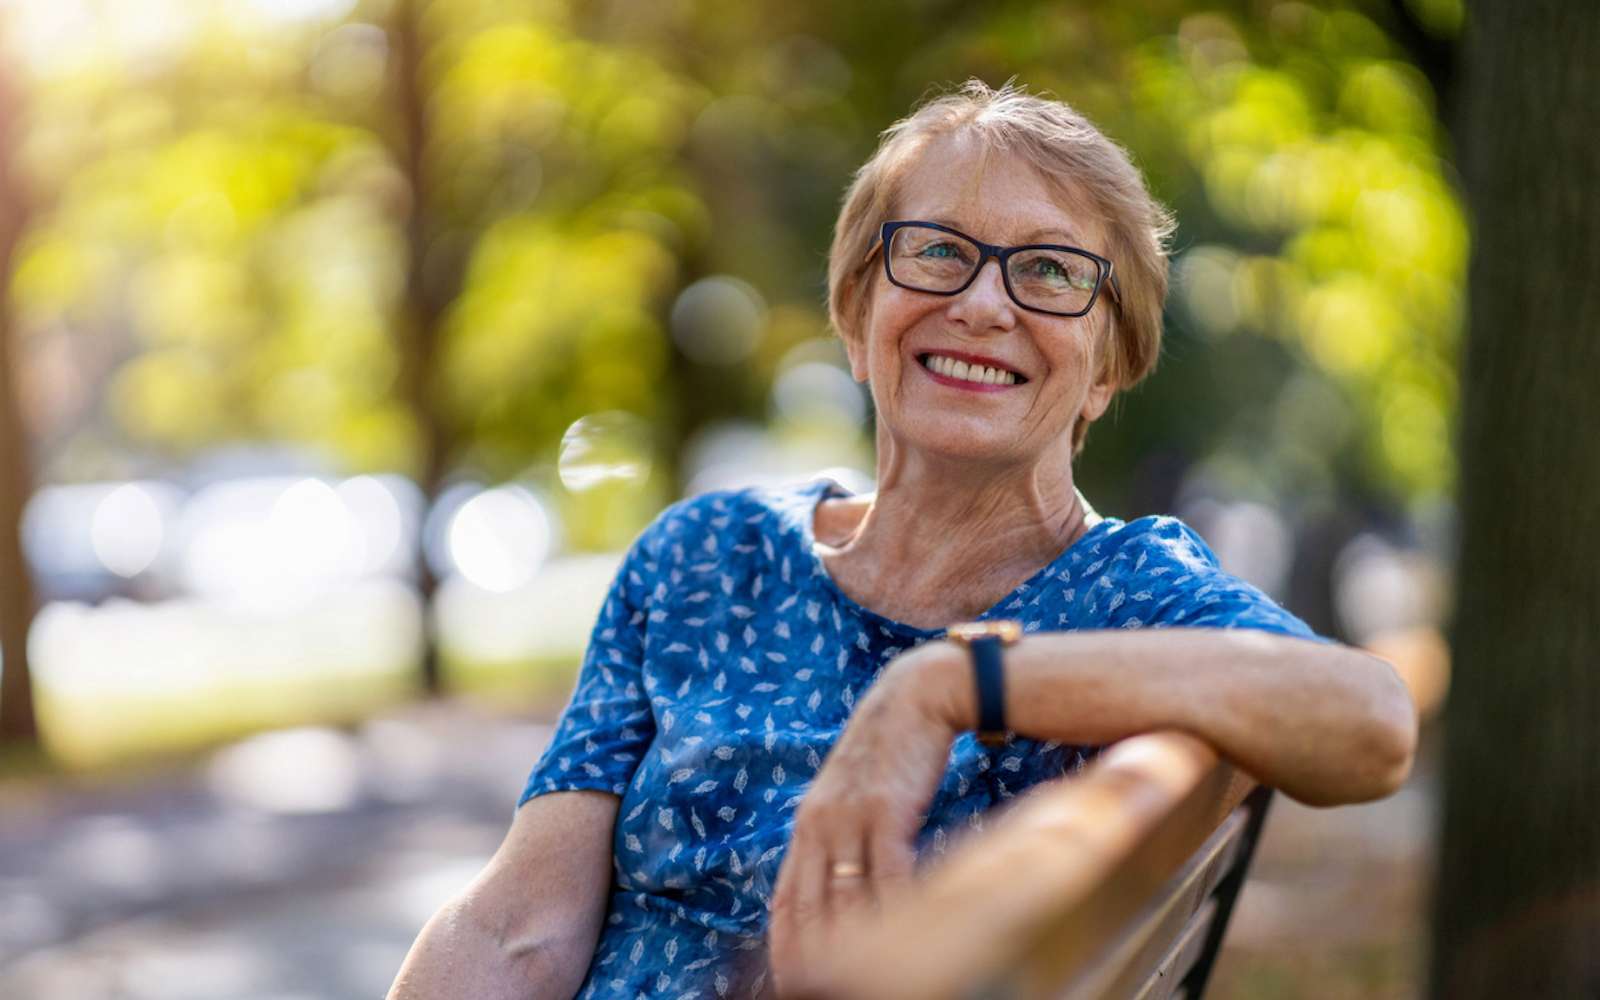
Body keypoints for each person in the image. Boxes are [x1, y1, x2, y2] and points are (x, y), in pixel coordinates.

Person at [386, 81, 1417, 1000]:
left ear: (1109, 364)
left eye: (1051, 273)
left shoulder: (1126, 587)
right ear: (854, 311)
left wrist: (951, 688)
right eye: (934, 251)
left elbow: (1370, 720)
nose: (978, 304)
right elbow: (519, 925)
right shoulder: (705, 554)